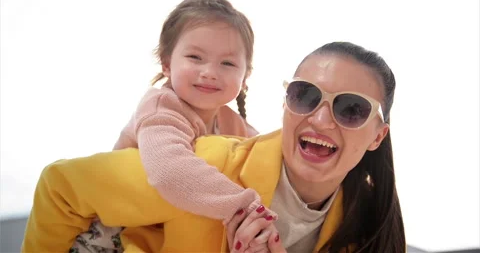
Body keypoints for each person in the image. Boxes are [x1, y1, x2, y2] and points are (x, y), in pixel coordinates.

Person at [22, 41, 406, 253]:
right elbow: (61, 186)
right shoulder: (206, 169)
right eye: (304, 95)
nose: (320, 120)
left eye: (351, 108)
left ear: (377, 136)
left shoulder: (373, 222)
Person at [71, 0, 275, 252]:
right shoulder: (161, 107)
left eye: (227, 63)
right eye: (195, 57)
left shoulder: (231, 122)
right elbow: (169, 171)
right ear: (167, 64)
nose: (210, 71)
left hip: (164, 228)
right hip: (113, 233)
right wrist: (246, 207)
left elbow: (266, 153)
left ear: (245, 76)